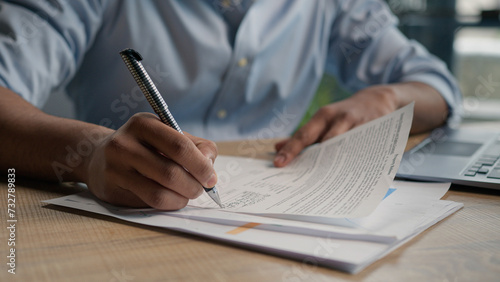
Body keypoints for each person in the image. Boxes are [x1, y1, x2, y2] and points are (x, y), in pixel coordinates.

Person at [0, 0, 461, 210]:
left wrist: (385, 96)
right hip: (113, 222)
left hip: (271, 212)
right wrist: (93, 153)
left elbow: (436, 86)